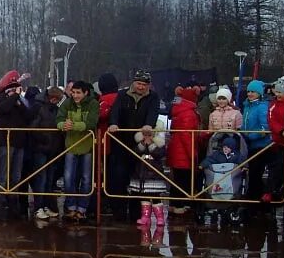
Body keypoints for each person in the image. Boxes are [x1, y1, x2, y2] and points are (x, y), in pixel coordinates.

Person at [107, 70, 161, 221]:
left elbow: (153, 112)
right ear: (133, 83)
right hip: (121, 141)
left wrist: (149, 125)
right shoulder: (123, 95)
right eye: (139, 83)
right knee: (119, 176)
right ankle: (118, 210)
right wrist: (113, 124)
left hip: (140, 141)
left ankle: (136, 212)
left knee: (138, 176)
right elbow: (115, 111)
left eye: (144, 84)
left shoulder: (153, 97)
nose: (141, 87)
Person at [56, 80, 99, 222]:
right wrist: (63, 125)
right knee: (68, 178)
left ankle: (82, 209)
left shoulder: (93, 104)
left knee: (86, 179)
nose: (75, 95)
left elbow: (91, 123)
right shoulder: (67, 103)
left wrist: (73, 125)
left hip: (86, 146)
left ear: (86, 93)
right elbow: (59, 119)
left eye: (78, 93)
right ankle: (71, 206)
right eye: (73, 92)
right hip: (70, 146)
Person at [0, 69, 31, 219]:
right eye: (13, 87)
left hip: (19, 142)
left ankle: (13, 203)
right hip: (6, 142)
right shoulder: (1, 99)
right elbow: (3, 109)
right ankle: (0, 203)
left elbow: (28, 115)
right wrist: (13, 96)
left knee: (16, 175)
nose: (15, 89)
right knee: (4, 175)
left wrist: (19, 101)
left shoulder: (20, 101)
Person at [28, 87, 64, 220]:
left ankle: (46, 206)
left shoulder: (53, 109)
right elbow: (33, 128)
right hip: (40, 149)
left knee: (49, 180)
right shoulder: (39, 108)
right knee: (41, 179)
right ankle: (38, 207)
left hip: (51, 149)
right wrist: (44, 139)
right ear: (52, 98)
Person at [167, 86, 202, 216]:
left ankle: (174, 204)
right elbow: (187, 136)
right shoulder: (189, 113)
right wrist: (192, 154)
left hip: (176, 150)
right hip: (183, 152)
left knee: (177, 178)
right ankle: (180, 205)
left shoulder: (178, 111)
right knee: (184, 178)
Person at [241, 80, 272, 203]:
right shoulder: (247, 106)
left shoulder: (262, 107)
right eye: (248, 91)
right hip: (250, 144)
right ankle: (253, 198)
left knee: (256, 173)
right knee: (252, 173)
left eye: (253, 91)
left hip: (261, 146)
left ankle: (257, 199)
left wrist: (251, 135)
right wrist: (242, 132)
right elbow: (245, 123)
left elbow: (265, 127)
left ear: (259, 93)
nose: (250, 94)